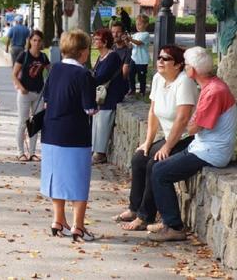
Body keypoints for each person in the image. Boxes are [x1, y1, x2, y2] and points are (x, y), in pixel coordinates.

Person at [149, 47, 237, 242]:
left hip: (211, 151)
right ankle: (167, 220)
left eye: (187, 65)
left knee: (160, 172)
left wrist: (188, 121)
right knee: (157, 166)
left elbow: (194, 128)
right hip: (203, 146)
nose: (185, 68)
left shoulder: (214, 91)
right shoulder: (212, 86)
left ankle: (174, 226)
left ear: (193, 70)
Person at [115, 46, 197, 231]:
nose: (160, 61)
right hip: (169, 136)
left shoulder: (185, 83)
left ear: (178, 65)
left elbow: (183, 119)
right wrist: (148, 141)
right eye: (159, 57)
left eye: (166, 59)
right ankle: (134, 209)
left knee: (154, 164)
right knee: (139, 158)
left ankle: (145, 217)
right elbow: (153, 112)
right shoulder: (159, 79)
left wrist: (167, 147)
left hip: (187, 138)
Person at [40, 30, 97, 241]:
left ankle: (58, 220)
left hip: (51, 131)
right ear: (83, 52)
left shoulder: (55, 70)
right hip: (75, 134)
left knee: (57, 178)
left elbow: (47, 100)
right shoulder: (84, 75)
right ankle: (78, 226)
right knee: (78, 179)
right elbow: (89, 108)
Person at [12, 30, 50, 161]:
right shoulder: (24, 55)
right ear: (30, 41)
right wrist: (21, 87)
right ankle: (20, 152)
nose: (36, 43)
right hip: (25, 93)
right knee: (23, 122)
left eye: (39, 41)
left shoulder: (44, 57)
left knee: (35, 124)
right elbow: (14, 74)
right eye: (34, 40)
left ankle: (32, 152)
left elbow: (51, 73)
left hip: (38, 94)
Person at [91, 28, 127, 164]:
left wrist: (88, 81)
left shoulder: (112, 57)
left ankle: (100, 153)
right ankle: (95, 150)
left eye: (97, 39)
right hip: (102, 95)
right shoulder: (101, 57)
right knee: (97, 121)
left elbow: (103, 76)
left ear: (105, 42)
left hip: (110, 95)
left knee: (104, 121)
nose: (94, 41)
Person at [129, 14, 151, 95]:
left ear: (146, 24)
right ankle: (132, 89)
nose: (137, 26)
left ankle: (142, 91)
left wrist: (130, 39)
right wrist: (126, 41)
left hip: (142, 60)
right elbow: (130, 45)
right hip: (134, 58)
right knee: (130, 74)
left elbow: (138, 43)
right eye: (136, 24)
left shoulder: (146, 34)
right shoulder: (135, 34)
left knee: (141, 77)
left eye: (139, 24)